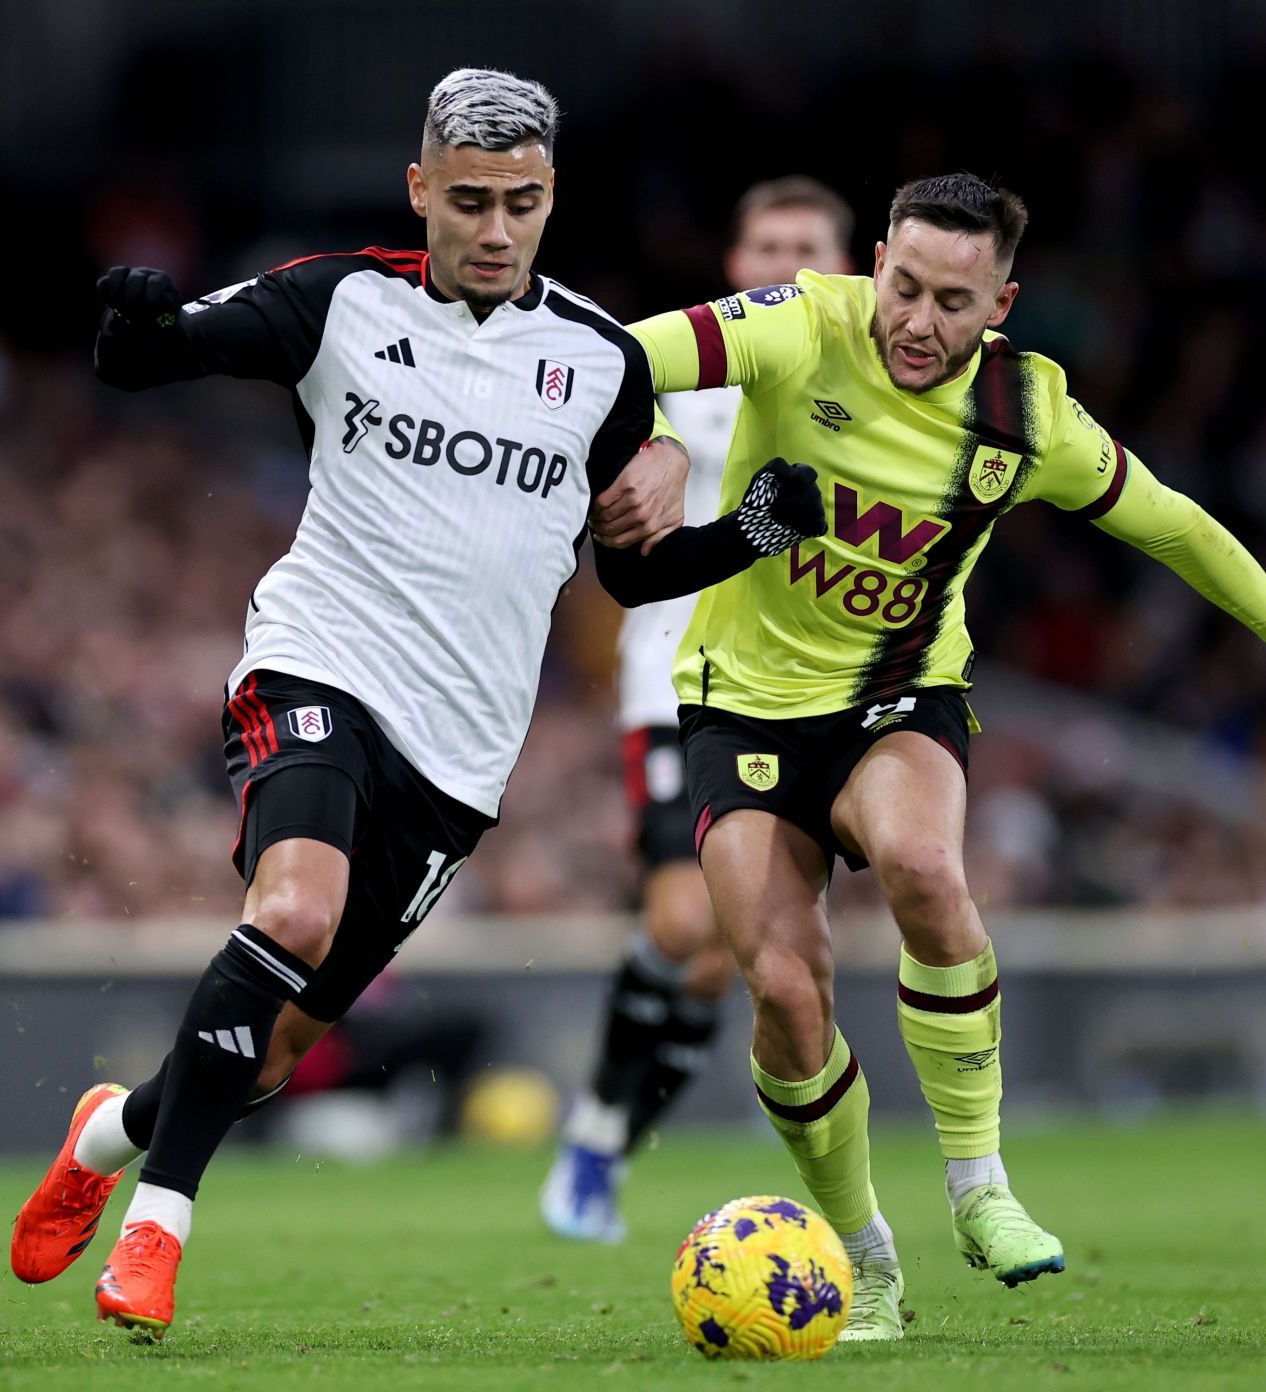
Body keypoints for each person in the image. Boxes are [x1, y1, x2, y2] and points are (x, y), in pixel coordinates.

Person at [6, 68, 826, 1339]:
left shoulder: (602, 364)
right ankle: (158, 1229)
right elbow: (166, 348)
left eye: (521, 203)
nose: (496, 231)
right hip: (320, 662)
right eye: (471, 202)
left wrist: (751, 533)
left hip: (460, 755)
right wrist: (128, 333)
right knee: (293, 906)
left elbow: (630, 565)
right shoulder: (340, 299)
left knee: (273, 1051)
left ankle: (105, 1137)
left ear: (551, 198)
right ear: (421, 191)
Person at [628, 173, 1266, 1340]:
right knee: (785, 993)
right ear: (874, 260)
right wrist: (655, 447)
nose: (918, 323)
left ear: (1001, 303)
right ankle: (865, 1258)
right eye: (903, 287)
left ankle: (980, 1187)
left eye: (953, 301)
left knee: (926, 868)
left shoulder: (1028, 418)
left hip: (898, 693)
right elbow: (617, 358)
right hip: (740, 705)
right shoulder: (799, 323)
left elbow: (1176, 523)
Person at [542, 176, 856, 1243]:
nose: (782, 264)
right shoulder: (685, 378)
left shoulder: (873, 389)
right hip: (676, 681)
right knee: (685, 920)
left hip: (807, 695)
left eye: (805, 247)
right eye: (764, 244)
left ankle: (607, 1142)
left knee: (730, 955)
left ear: (847, 269)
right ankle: (592, 1136)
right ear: (734, 267)